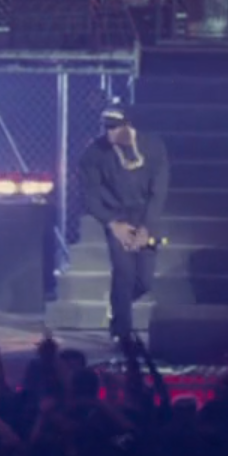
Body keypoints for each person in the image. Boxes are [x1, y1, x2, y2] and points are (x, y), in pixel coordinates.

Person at [73, 104, 169, 345]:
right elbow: (90, 196)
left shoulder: (153, 146)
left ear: (128, 125)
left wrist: (146, 227)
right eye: (106, 128)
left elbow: (159, 190)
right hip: (118, 218)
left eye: (115, 127)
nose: (110, 133)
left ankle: (118, 303)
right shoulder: (93, 155)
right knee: (124, 273)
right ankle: (122, 333)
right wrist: (113, 224)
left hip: (146, 216)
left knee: (144, 282)